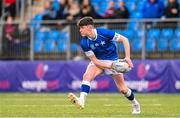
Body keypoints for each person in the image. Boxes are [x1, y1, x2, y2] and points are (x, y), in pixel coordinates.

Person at [68, 16, 141, 114]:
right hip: (99, 61)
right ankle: (82, 100)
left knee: (123, 89)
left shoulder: (104, 33)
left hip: (113, 60)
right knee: (87, 76)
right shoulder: (84, 42)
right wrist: (110, 66)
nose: (80, 30)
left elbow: (125, 40)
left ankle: (135, 104)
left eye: (82, 28)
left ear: (89, 27)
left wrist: (127, 57)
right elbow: (95, 60)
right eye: (79, 28)